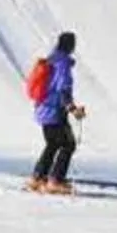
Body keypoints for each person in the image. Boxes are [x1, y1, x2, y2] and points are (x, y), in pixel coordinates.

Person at [28, 30, 86, 193]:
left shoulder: (50, 60)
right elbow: (63, 90)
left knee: (52, 144)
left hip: (42, 109)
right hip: (54, 111)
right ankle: (55, 180)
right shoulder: (63, 64)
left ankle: (37, 177)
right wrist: (73, 109)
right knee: (68, 144)